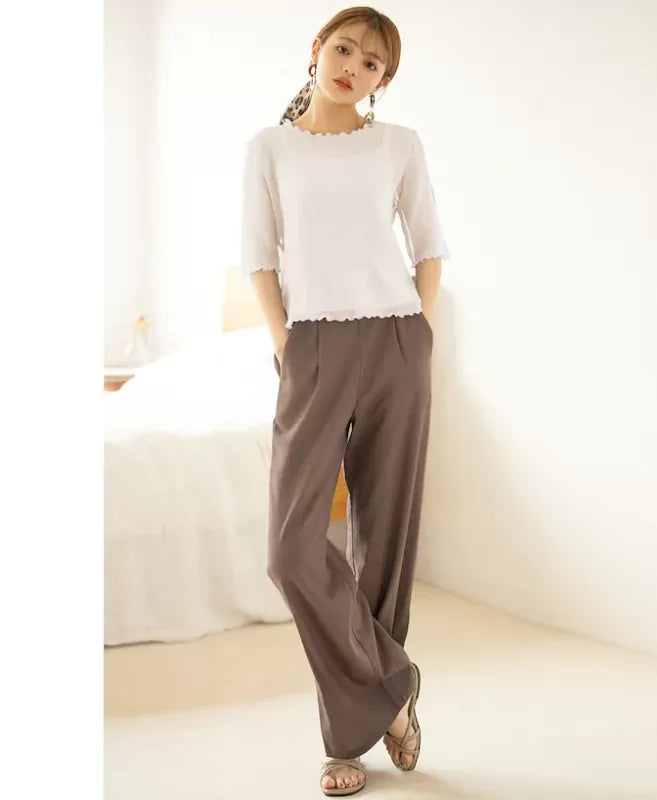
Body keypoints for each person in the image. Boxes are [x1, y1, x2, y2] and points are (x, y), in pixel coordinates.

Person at [240, 7, 450, 796]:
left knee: (385, 538)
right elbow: (259, 259)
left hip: (395, 339)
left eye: (371, 64)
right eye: (345, 49)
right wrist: (285, 343)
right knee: (290, 549)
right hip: (312, 344)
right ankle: (395, 684)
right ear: (317, 49)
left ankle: (349, 739)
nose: (352, 68)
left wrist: (420, 333)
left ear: (383, 81)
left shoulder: (399, 145)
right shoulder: (270, 148)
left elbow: (428, 244)